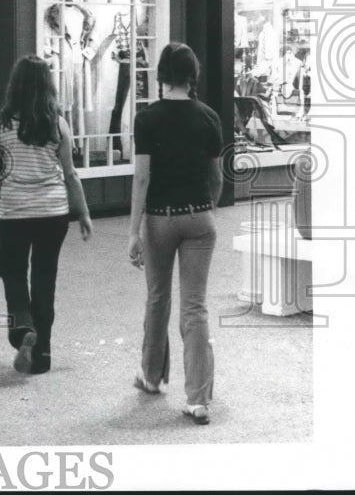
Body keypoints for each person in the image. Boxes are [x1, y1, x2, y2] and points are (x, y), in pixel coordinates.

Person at [127, 42, 224, 426]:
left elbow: (141, 177)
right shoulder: (210, 117)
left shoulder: (146, 119)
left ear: (161, 76)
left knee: (157, 299)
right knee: (195, 307)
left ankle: (151, 377)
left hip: (160, 219)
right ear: (193, 75)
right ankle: (198, 399)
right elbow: (216, 176)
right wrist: (207, 211)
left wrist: (133, 231)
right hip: (200, 218)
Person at [0, 55, 93, 375]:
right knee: (45, 279)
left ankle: (22, 325)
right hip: (53, 213)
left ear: (15, 85)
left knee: (14, 273)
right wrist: (84, 213)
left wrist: (6, 190)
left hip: (15, 212)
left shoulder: (1, 124)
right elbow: (71, 174)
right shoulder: (57, 123)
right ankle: (42, 356)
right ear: (47, 85)